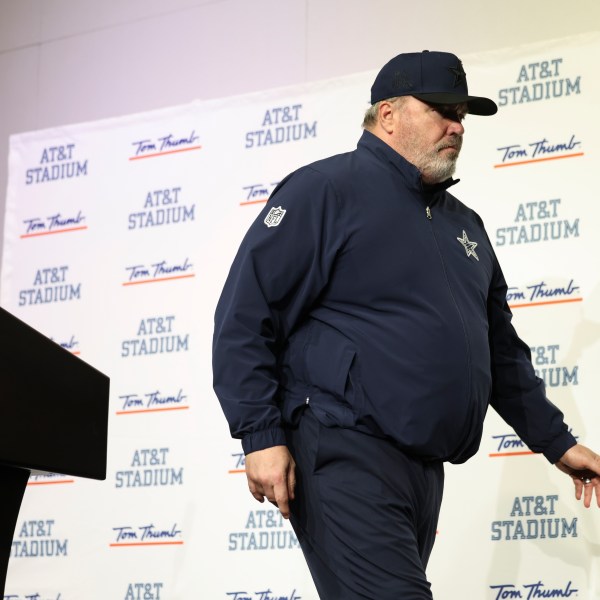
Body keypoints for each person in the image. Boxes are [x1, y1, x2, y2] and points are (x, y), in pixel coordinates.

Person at [212, 50, 600, 599]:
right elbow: (245, 316)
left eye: (462, 114)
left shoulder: (465, 226)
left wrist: (558, 443)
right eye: (441, 109)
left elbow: (501, 354)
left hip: (423, 470)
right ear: (387, 114)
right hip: (342, 449)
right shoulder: (325, 190)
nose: (456, 126)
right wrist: (259, 434)